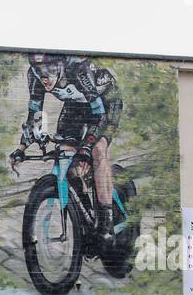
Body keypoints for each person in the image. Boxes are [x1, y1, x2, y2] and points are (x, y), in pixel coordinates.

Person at [9, 54, 123, 240]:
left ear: (60, 65)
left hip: (105, 103)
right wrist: (22, 148)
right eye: (38, 70)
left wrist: (85, 148)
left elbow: (100, 115)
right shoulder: (36, 76)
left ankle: (106, 221)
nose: (43, 76)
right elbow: (35, 115)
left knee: (97, 149)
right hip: (76, 105)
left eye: (48, 70)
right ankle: (84, 213)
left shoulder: (79, 69)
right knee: (65, 154)